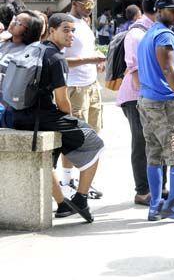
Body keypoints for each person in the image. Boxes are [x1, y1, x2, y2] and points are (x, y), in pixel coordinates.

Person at [5, 13, 104, 223]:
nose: (71, 36)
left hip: (18, 116)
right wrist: (71, 121)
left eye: (73, 31)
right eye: (65, 30)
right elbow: (62, 102)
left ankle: (62, 206)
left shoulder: (33, 48)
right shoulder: (57, 58)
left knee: (49, 158)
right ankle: (81, 198)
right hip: (41, 118)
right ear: (51, 31)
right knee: (95, 142)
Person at [137, 0, 174, 222]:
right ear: (159, 10)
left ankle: (155, 205)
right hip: (164, 102)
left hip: (146, 100)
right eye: (172, 11)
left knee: (154, 155)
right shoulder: (163, 36)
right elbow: (169, 69)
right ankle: (173, 203)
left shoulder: (148, 34)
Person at [116, 0, 164, 206]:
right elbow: (134, 68)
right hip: (136, 96)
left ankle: (158, 187)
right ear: (158, 10)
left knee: (156, 141)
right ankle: (143, 191)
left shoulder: (153, 30)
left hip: (149, 94)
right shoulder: (137, 33)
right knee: (141, 142)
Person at [61, 0, 106, 198]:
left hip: (91, 85)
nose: (90, 8)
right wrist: (91, 60)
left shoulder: (85, 25)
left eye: (92, 4)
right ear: (75, 3)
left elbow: (84, 52)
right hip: (75, 86)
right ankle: (67, 180)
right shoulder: (65, 24)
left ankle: (85, 180)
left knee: (93, 135)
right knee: (74, 136)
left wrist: (96, 60)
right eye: (87, 4)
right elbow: (61, 60)